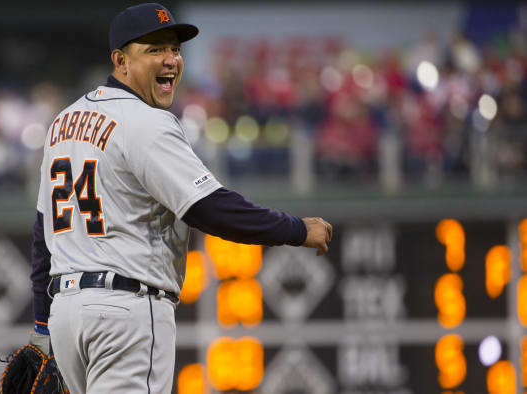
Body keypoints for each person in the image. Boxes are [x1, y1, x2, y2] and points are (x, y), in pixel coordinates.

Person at [29, 3, 333, 393]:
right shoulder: (146, 121)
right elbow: (211, 208)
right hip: (126, 311)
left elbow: (43, 238)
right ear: (120, 61)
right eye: (154, 49)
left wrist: (42, 325)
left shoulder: (62, 123)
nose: (170, 60)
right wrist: (295, 229)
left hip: (66, 314)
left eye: (174, 49)